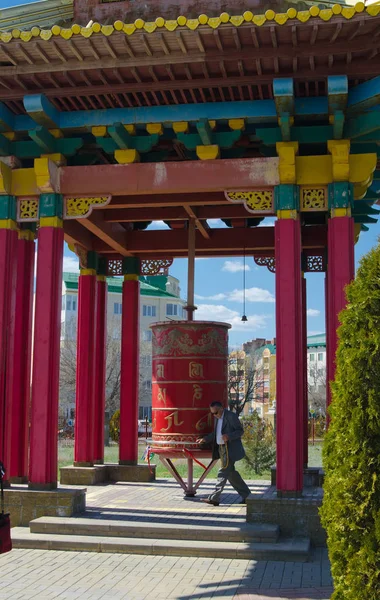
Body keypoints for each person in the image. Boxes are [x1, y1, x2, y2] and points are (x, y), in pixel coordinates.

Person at [196, 401, 251, 506]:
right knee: (231, 475)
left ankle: (214, 498)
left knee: (222, 471)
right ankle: (247, 496)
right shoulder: (217, 418)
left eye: (215, 412)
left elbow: (240, 431)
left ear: (221, 409)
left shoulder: (231, 416)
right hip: (221, 449)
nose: (214, 415)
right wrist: (205, 439)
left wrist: (229, 436)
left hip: (230, 449)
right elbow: (216, 434)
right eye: (212, 413)